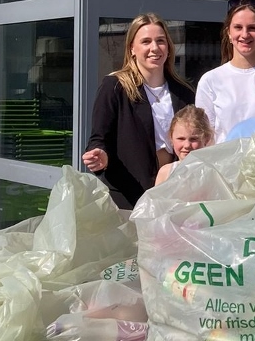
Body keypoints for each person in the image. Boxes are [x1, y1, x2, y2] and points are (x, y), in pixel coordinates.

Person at [83, 13, 195, 209]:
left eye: (160, 41)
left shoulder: (184, 93)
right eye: (146, 41)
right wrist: (100, 155)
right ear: (132, 49)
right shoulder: (115, 87)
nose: (154, 48)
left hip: (174, 196)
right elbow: (99, 138)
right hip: (129, 197)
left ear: (168, 47)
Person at [195, 0, 255, 143]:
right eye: (238, 27)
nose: (245, 34)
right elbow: (204, 139)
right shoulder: (210, 81)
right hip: (224, 163)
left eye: (252, 28)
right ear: (228, 33)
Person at [154, 105, 214, 186]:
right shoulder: (166, 172)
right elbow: (155, 198)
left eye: (193, 139)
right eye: (181, 139)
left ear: (206, 139)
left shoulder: (213, 172)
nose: (186, 145)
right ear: (171, 138)